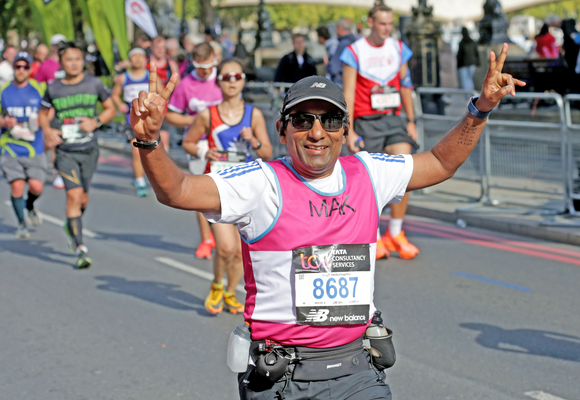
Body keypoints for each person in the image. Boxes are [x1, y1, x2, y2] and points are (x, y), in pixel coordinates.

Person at [130, 43, 523, 400]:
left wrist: (480, 108)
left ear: (344, 131)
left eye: (331, 120)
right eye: (302, 120)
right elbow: (177, 190)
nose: (317, 132)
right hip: (282, 378)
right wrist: (150, 142)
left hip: (358, 372)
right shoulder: (260, 182)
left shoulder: (368, 173)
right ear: (283, 129)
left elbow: (439, 162)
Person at [182, 58, 272, 315]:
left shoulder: (252, 115)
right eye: (226, 77)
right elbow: (188, 143)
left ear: (243, 80)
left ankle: (232, 291)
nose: (232, 82)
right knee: (226, 247)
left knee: (238, 253)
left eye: (236, 77)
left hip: (246, 189)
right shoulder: (207, 114)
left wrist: (252, 139)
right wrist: (203, 150)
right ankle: (217, 285)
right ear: (218, 81)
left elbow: (266, 150)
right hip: (218, 188)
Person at [341, 4, 419, 260]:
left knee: (405, 170)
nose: (387, 29)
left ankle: (395, 232)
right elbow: (349, 94)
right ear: (371, 23)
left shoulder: (398, 49)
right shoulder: (354, 52)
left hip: (394, 119)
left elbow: (406, 85)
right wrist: (349, 130)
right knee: (370, 182)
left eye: (390, 24)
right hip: (366, 121)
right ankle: (372, 235)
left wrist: (411, 120)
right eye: (383, 24)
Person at [39, 41, 117, 269]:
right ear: (61, 63)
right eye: (69, 60)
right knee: (73, 196)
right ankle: (80, 247)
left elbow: (111, 108)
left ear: (82, 61)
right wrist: (47, 130)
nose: (74, 63)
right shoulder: (54, 88)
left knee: (83, 198)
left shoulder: (94, 84)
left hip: (89, 150)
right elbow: (43, 114)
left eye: (77, 59)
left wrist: (96, 121)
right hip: (65, 152)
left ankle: (72, 223)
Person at [166, 43, 224, 259]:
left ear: (215, 60)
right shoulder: (186, 85)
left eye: (209, 67)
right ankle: (207, 239)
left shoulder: (225, 79)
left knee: (229, 191)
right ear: (194, 64)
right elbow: (171, 115)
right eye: (201, 68)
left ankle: (233, 236)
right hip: (198, 144)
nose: (206, 72)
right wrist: (197, 120)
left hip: (226, 145)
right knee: (203, 194)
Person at [0, 52, 46, 238]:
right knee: (17, 186)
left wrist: (42, 123)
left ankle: (30, 206)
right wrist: (4, 122)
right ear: (13, 68)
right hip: (10, 146)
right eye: (18, 66)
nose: (21, 70)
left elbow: (49, 111)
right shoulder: (4, 90)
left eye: (25, 67)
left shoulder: (39, 89)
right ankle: (21, 224)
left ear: (29, 69)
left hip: (35, 146)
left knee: (36, 187)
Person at [111, 47, 151, 197]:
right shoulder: (123, 77)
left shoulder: (150, 76)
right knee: (137, 151)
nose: (138, 59)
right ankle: (140, 181)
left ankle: (152, 178)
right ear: (130, 60)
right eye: (135, 57)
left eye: (141, 56)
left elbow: (161, 93)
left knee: (151, 151)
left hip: (149, 118)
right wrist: (119, 104)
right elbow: (115, 94)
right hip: (131, 118)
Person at [147, 36, 179, 151]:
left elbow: (178, 85)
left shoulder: (171, 65)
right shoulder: (145, 62)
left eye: (163, 48)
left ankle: (164, 165)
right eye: (157, 47)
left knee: (164, 137)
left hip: (164, 105)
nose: (160, 50)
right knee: (148, 139)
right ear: (152, 47)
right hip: (148, 104)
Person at [327, 18, 356, 85]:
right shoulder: (355, 42)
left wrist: (327, 65)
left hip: (341, 83)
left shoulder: (343, 44)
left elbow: (334, 68)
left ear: (339, 28)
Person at [457, 27, 481, 93]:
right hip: (472, 63)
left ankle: (467, 93)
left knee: (465, 80)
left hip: (463, 64)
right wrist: (478, 63)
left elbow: (459, 55)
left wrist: (458, 65)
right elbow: (476, 53)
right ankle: (471, 92)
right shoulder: (472, 42)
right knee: (469, 79)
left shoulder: (462, 43)